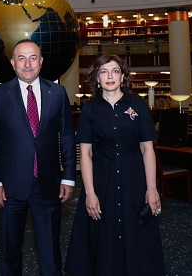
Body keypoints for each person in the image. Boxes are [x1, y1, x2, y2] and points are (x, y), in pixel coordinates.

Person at [65, 54, 166, 276]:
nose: (109, 76)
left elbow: (147, 149)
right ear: (97, 78)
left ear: (122, 77)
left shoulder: (137, 105)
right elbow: (86, 153)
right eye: (104, 71)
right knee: (103, 232)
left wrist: (151, 188)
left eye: (115, 71)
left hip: (134, 179)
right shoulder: (89, 110)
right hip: (102, 179)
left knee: (136, 231)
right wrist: (89, 193)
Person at [0, 39, 76, 276]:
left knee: (50, 252)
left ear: (41, 61)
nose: (27, 64)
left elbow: (66, 137)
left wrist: (68, 177)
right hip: (9, 188)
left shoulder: (57, 93)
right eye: (21, 59)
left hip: (48, 186)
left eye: (33, 58)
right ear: (13, 63)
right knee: (10, 252)